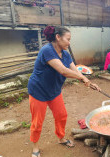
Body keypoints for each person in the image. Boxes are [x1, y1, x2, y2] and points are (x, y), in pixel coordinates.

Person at [28, 26, 100, 157]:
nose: (69, 42)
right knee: (37, 122)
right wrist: (82, 78)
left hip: (54, 90)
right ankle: (35, 147)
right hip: (38, 91)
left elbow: (75, 70)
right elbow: (63, 71)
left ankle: (61, 138)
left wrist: (88, 81)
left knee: (61, 115)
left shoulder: (66, 54)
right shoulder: (47, 50)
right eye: (68, 39)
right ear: (58, 37)